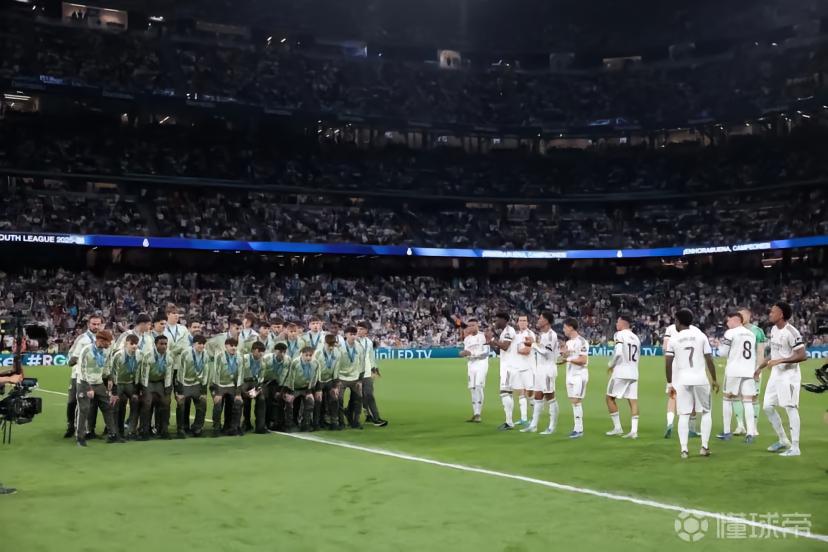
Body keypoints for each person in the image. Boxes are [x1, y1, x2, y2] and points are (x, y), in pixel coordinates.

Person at [665, 309, 719, 459]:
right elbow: (709, 359)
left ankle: (684, 450)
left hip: (682, 380)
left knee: (684, 414)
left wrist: (669, 383)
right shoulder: (701, 336)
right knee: (706, 412)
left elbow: (668, 362)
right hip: (700, 378)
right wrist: (714, 379)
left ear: (678, 321)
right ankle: (704, 447)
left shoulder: (674, 339)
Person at [756, 301, 807, 457]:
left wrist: (781, 361)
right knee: (767, 407)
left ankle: (795, 447)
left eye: (773, 312)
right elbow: (774, 354)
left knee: (790, 408)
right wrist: (759, 368)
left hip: (789, 376)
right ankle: (783, 440)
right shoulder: (773, 330)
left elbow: (802, 355)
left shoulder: (791, 332)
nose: (770, 314)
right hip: (775, 375)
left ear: (781, 314)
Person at [716, 311, 758, 443]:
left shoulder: (730, 333)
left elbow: (722, 353)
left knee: (727, 399)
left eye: (728, 320)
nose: (727, 323)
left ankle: (727, 432)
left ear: (735, 320)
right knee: (748, 401)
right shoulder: (751, 334)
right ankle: (750, 433)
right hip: (749, 370)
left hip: (734, 371)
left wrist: (718, 346)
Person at [75, 330, 121, 446]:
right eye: (108, 342)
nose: (109, 344)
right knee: (84, 409)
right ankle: (80, 437)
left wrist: (109, 377)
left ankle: (112, 434)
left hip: (99, 383)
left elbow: (106, 365)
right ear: (100, 340)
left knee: (107, 407)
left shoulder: (106, 351)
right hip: (84, 383)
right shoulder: (86, 350)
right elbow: (81, 369)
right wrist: (88, 387)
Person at [64, 314, 102, 438]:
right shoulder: (82, 338)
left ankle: (90, 429)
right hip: (78, 374)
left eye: (98, 324)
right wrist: (80, 360)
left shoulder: (103, 338)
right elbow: (71, 356)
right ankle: (71, 426)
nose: (96, 326)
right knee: (72, 401)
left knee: (93, 403)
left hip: (95, 376)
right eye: (94, 324)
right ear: (88, 324)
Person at [523, 310, 559, 434]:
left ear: (546, 321)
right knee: (538, 396)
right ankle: (533, 425)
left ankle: (552, 427)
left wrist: (532, 344)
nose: (538, 320)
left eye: (540, 318)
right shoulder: (543, 335)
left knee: (550, 397)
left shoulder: (551, 335)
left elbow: (546, 353)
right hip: (540, 368)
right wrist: (534, 344)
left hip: (548, 369)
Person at [605, 314, 640, 439]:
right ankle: (634, 431)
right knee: (633, 401)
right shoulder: (636, 338)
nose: (616, 324)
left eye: (618, 321)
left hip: (621, 372)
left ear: (623, 323)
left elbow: (619, 352)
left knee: (609, 398)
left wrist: (611, 364)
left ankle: (617, 428)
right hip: (634, 372)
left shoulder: (619, 334)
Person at [558, 318, 589, 439]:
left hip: (579, 375)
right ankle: (576, 428)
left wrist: (568, 359)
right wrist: (563, 355)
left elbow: (583, 360)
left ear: (571, 327)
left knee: (576, 401)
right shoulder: (569, 342)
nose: (563, 330)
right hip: (570, 375)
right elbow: (566, 357)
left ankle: (579, 429)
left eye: (565, 327)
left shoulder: (582, 341)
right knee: (573, 402)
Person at [138, 334, 173, 440]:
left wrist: (167, 390)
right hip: (148, 382)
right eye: (161, 344)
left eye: (165, 344)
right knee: (147, 403)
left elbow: (168, 375)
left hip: (160, 383)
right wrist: (144, 390)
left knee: (166, 403)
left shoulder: (169, 357)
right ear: (155, 344)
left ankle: (163, 430)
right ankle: (144, 430)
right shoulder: (148, 356)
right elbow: (144, 374)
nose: (164, 346)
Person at [739, 307, 766, 436]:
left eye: (743, 315)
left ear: (749, 316)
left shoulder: (757, 331)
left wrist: (758, 369)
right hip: (739, 369)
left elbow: (760, 352)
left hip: (753, 368)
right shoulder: (735, 331)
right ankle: (740, 425)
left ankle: (754, 427)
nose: (741, 317)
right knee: (738, 396)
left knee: (754, 397)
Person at [175, 334, 210, 438]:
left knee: (202, 403)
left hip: (196, 384)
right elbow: (181, 372)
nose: (202, 346)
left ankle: (197, 427)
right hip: (185, 383)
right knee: (181, 404)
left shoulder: (205, 354)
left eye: (203, 344)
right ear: (194, 344)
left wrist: (204, 391)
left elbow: (206, 372)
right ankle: (181, 428)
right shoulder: (186, 353)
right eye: (199, 344)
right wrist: (180, 391)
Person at [109, 333, 142, 440]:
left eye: (136, 344)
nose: (134, 346)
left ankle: (131, 430)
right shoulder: (118, 355)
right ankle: (114, 432)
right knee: (115, 404)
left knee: (136, 402)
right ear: (126, 343)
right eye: (131, 343)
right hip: (118, 383)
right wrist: (114, 392)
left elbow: (138, 373)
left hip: (129, 383)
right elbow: (113, 372)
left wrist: (136, 390)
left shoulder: (140, 355)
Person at [209, 336, 243, 437]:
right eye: (231, 346)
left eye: (235, 346)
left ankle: (234, 428)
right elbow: (216, 374)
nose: (234, 348)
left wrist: (238, 394)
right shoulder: (219, 357)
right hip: (218, 385)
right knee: (218, 403)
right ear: (226, 346)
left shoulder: (240, 358)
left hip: (231, 385)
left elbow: (240, 376)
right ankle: (216, 428)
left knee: (238, 402)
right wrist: (217, 393)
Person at [460, 318, 490, 423]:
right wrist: (464, 354)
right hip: (471, 365)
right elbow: (467, 353)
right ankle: (475, 413)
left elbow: (486, 353)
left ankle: (478, 414)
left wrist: (471, 354)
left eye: (473, 325)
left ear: (477, 325)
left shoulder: (483, 336)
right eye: (469, 326)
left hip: (481, 364)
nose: (471, 327)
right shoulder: (467, 339)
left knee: (478, 386)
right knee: (472, 388)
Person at [357, 321, 387, 427]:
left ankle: (376, 418)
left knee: (369, 394)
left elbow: (371, 357)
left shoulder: (368, 342)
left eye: (361, 329)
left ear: (366, 331)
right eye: (358, 329)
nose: (359, 331)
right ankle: (366, 415)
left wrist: (375, 369)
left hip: (367, 373)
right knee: (358, 397)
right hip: (355, 374)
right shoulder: (353, 341)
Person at [493, 312, 517, 430]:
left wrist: (493, 340)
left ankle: (509, 422)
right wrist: (492, 343)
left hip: (509, 366)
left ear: (504, 320)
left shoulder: (509, 331)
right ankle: (509, 421)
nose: (495, 322)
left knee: (504, 393)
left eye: (497, 320)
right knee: (508, 393)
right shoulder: (503, 332)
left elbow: (505, 346)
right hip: (506, 365)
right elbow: (499, 351)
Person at [286, 346, 319, 431]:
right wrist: (290, 392)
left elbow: (314, 378)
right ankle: (289, 424)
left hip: (306, 389)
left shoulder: (316, 363)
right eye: (306, 355)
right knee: (289, 402)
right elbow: (291, 378)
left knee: (310, 402)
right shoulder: (295, 362)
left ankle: (306, 424)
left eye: (310, 355)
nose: (308, 357)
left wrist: (309, 392)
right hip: (294, 388)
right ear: (302, 354)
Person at [338, 326, 365, 429]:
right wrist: (336, 379)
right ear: (346, 335)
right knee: (339, 400)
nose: (353, 336)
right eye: (351, 334)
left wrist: (360, 379)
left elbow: (362, 363)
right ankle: (341, 422)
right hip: (341, 377)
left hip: (355, 378)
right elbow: (336, 363)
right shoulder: (339, 347)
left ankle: (355, 421)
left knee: (358, 400)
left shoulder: (359, 347)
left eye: (355, 334)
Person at [314, 334, 342, 429]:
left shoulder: (337, 353)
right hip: (318, 380)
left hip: (330, 380)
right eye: (329, 344)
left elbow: (336, 369)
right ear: (324, 343)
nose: (331, 347)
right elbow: (315, 369)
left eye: (333, 345)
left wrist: (335, 386)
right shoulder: (318, 353)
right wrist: (318, 386)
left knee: (334, 399)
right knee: (318, 401)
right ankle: (317, 423)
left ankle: (334, 422)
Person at [513, 315, 536, 427]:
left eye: (524, 320)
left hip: (528, 368)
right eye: (520, 320)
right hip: (518, 367)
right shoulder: (517, 335)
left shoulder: (530, 334)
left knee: (530, 394)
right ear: (517, 322)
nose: (522, 322)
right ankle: (523, 418)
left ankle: (534, 418)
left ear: (527, 323)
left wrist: (515, 350)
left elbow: (527, 350)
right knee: (521, 393)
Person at [240, 341, 268, 434]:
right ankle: (246, 423)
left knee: (261, 399)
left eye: (262, 351)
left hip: (255, 383)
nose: (261, 354)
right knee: (246, 399)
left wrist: (258, 389)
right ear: (253, 350)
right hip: (244, 382)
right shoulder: (244, 359)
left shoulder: (263, 362)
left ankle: (260, 426)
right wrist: (242, 389)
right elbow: (239, 373)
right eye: (259, 351)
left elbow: (261, 377)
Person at [262, 342, 291, 430]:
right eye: (280, 352)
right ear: (275, 351)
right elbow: (261, 373)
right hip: (265, 382)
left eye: (284, 352)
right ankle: (266, 422)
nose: (282, 354)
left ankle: (278, 423)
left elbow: (286, 375)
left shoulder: (288, 360)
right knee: (266, 401)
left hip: (279, 383)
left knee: (280, 400)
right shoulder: (266, 359)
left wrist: (281, 390)